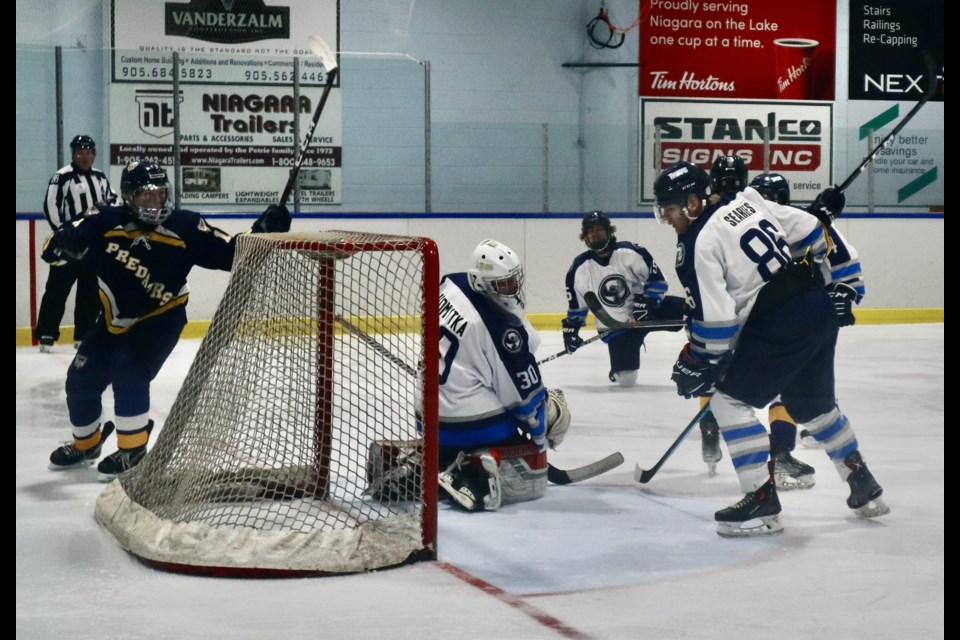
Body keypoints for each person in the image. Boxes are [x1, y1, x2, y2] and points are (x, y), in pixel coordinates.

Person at [653, 160, 889, 537]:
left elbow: (717, 325)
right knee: (813, 406)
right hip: (816, 305)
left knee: (727, 403)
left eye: (669, 210)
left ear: (693, 204)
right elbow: (814, 231)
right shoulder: (749, 201)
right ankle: (860, 478)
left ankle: (760, 498)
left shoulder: (699, 243)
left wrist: (696, 359)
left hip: (779, 323)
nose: (666, 219)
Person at [44, 160, 291, 481]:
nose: (155, 203)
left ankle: (132, 448)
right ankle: (87, 444)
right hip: (111, 322)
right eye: (147, 197)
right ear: (129, 196)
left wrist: (262, 233)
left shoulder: (186, 226)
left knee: (127, 368)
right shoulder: (103, 219)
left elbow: (232, 253)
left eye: (160, 195)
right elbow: (54, 247)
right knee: (80, 381)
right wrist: (65, 242)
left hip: (160, 320)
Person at [435, 239, 570, 512]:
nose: (512, 288)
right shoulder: (502, 330)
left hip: (429, 418)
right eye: (503, 283)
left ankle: (436, 460)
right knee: (549, 413)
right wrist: (539, 442)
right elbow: (525, 401)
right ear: (482, 283)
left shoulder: (451, 284)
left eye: (512, 279)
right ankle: (470, 474)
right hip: (469, 423)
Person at [749, 172, 864, 452]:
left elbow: (843, 258)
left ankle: (786, 447)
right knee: (791, 380)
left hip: (806, 313)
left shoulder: (800, 221)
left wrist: (844, 294)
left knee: (797, 378)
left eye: (769, 197)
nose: (764, 203)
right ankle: (807, 427)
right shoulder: (747, 226)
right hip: (771, 315)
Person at [562, 210, 684, 388]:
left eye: (599, 229)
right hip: (616, 327)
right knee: (626, 380)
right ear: (585, 237)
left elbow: (657, 280)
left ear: (609, 231)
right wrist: (571, 330)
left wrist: (648, 302)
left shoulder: (629, 251)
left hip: (645, 313)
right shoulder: (579, 269)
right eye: (591, 231)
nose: (595, 234)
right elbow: (577, 307)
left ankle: (700, 359)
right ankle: (618, 368)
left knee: (692, 312)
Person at [34, 135, 117, 352]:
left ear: (94, 154)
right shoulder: (61, 177)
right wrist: (63, 234)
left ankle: (84, 335)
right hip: (68, 245)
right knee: (56, 290)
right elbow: (51, 207)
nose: (85, 156)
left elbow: (113, 200)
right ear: (73, 154)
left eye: (88, 152)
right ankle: (46, 334)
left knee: (89, 292)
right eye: (80, 152)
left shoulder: (100, 177)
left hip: (93, 246)